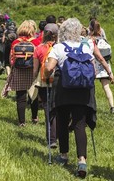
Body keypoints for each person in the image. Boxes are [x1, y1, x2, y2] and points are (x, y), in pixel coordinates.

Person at [44, 18, 96, 179]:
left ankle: (64, 155)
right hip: (82, 90)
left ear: (62, 32)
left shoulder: (58, 47)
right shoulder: (86, 47)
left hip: (64, 89)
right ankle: (82, 160)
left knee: (62, 121)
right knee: (80, 124)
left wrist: (46, 73)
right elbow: (93, 70)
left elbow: (50, 67)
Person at [2, 20, 40, 126]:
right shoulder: (35, 42)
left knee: (21, 97)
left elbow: (11, 59)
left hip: (19, 71)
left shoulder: (15, 42)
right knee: (33, 95)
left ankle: (22, 121)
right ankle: (34, 117)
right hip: (32, 71)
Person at [33, 22, 58, 148]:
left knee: (48, 110)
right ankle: (59, 135)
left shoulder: (39, 48)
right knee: (58, 109)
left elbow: (35, 69)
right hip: (58, 82)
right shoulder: (60, 48)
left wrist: (33, 81)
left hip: (44, 82)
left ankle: (51, 139)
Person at [87, 19, 114, 113]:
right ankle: (112, 107)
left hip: (93, 65)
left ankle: (90, 107)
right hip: (105, 65)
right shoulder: (103, 39)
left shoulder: (90, 40)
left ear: (90, 28)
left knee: (90, 88)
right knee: (106, 86)